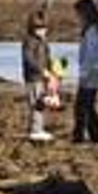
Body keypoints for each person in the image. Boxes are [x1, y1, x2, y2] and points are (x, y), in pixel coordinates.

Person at [72, 0, 98, 144]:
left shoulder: (93, 30)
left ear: (85, 13)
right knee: (88, 105)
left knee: (82, 105)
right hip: (95, 70)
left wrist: (85, 72)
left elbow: (92, 53)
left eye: (78, 14)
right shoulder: (94, 29)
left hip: (92, 71)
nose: (78, 18)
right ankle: (95, 135)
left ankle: (80, 135)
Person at [21, 10, 56, 143]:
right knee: (35, 104)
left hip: (43, 78)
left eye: (44, 28)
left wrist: (52, 71)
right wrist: (42, 71)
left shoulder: (44, 41)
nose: (41, 31)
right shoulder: (29, 41)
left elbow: (48, 57)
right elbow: (29, 59)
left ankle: (38, 128)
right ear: (31, 27)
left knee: (41, 104)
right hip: (33, 78)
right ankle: (35, 131)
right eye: (38, 28)